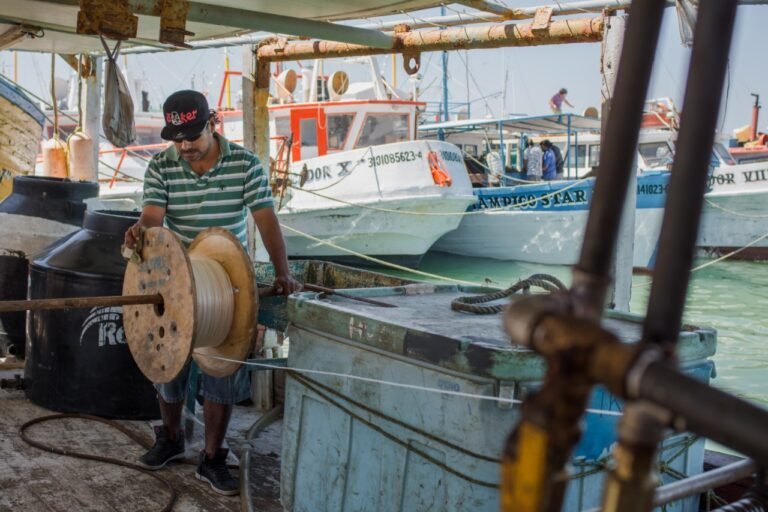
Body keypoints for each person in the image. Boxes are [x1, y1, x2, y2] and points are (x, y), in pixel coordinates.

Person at [123, 90, 301, 496]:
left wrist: (283, 274)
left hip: (227, 277)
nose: (185, 145)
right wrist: (139, 232)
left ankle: (212, 456)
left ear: (213, 123)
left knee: (220, 374)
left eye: (193, 135)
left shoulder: (245, 164)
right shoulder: (161, 166)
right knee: (167, 364)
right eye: (177, 138)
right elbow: (152, 218)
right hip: (173, 280)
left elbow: (267, 222)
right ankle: (171, 438)